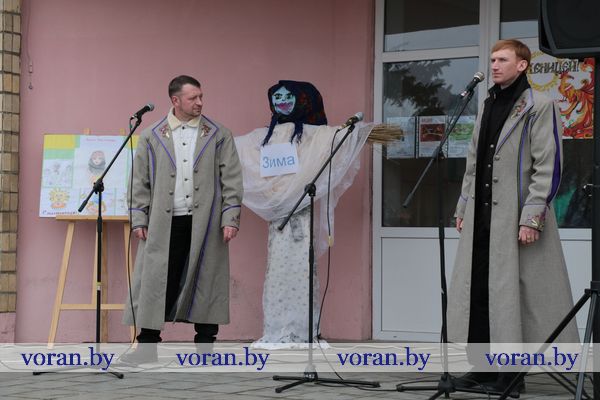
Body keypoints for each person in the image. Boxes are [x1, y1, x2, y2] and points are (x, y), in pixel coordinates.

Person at [447, 39, 579, 392]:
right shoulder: (487, 103)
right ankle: (481, 369)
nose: (494, 65)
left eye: (502, 59)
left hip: (514, 218)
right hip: (481, 217)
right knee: (480, 293)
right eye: (492, 59)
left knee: (511, 298)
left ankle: (511, 376)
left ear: (522, 65)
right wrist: (463, 207)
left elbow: (548, 166)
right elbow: (473, 162)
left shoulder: (539, 104)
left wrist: (531, 217)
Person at [235, 80, 372, 348]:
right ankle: (277, 328)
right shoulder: (263, 136)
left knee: (301, 270)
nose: (282, 101)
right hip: (278, 216)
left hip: (302, 212)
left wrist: (358, 131)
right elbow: (238, 149)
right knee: (277, 271)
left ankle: (302, 329)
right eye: (277, 97)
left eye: (288, 96)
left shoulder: (313, 134)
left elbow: (336, 139)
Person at [121, 75, 243, 364]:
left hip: (206, 222)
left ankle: (205, 352)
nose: (199, 102)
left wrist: (230, 217)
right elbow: (139, 182)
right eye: (193, 98)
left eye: (201, 96)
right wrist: (139, 218)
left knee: (207, 280)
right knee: (154, 282)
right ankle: (147, 349)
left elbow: (232, 179)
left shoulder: (218, 134)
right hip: (163, 223)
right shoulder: (151, 135)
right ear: (175, 100)